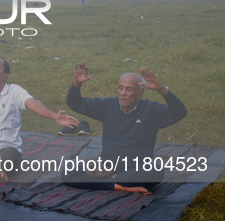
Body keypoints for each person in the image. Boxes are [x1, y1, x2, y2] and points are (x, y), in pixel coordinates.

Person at [62, 63, 188, 194]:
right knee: (68, 171)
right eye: (120, 88)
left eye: (129, 89)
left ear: (140, 93)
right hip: (107, 167)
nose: (123, 93)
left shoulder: (152, 110)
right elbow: (75, 103)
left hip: (137, 169)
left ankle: (109, 182)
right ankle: (120, 186)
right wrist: (77, 84)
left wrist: (161, 89)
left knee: (155, 170)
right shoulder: (107, 106)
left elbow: (179, 112)